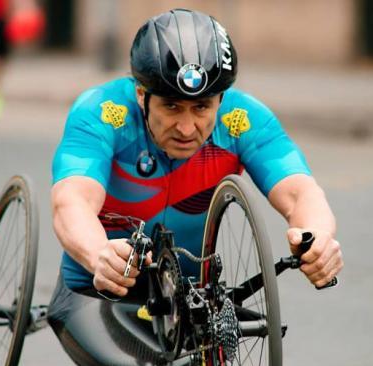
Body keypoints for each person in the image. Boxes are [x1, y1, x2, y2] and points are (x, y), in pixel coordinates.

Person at [50, 9, 343, 301]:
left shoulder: (243, 118)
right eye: (172, 106)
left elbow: (300, 192)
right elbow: (72, 200)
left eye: (201, 107)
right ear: (141, 94)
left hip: (190, 299)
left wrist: (317, 238)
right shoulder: (102, 111)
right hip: (99, 285)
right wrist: (98, 253)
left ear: (221, 99)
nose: (187, 128)